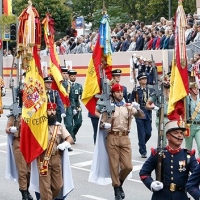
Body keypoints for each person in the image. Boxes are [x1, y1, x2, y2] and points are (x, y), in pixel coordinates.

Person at [95, 83, 144, 200]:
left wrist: (138, 108)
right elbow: (100, 122)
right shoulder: (109, 107)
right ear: (113, 93)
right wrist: (104, 124)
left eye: (121, 92)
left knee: (128, 166)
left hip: (125, 138)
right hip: (112, 137)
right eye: (117, 92)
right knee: (114, 165)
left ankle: (120, 182)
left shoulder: (127, 106)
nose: (120, 94)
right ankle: (116, 188)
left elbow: (141, 116)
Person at [139, 120, 197, 200]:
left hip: (180, 197)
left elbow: (197, 175)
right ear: (168, 136)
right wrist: (151, 183)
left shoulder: (188, 155)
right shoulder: (158, 153)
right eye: (176, 133)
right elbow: (144, 173)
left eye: (181, 133)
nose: (179, 136)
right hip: (161, 196)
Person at [37, 102, 73, 200]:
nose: (52, 112)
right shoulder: (40, 126)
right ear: (45, 112)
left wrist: (65, 144)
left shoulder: (59, 126)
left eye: (53, 110)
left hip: (56, 158)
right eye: (49, 110)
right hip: (43, 159)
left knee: (58, 186)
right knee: (45, 186)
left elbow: (70, 138)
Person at [5, 114, 33, 200]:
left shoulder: (33, 111)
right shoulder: (15, 114)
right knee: (22, 171)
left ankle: (26, 189)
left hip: (30, 144)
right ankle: (24, 194)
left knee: (29, 171)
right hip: (19, 143)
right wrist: (11, 129)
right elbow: (7, 128)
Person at [129, 72, 154, 158]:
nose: (145, 80)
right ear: (139, 81)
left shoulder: (150, 90)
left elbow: (153, 100)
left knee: (148, 132)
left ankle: (141, 143)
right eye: (143, 79)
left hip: (148, 112)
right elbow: (130, 100)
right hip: (139, 111)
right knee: (141, 132)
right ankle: (143, 151)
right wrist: (134, 105)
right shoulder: (136, 90)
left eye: (145, 79)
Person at [185, 82, 200, 157]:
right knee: (188, 149)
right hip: (189, 126)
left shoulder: (199, 100)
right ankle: (188, 164)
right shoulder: (186, 99)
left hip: (198, 126)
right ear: (190, 90)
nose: (196, 90)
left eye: (197, 88)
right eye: (194, 88)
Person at [68, 70, 83, 142]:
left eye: (74, 76)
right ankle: (71, 137)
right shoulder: (66, 85)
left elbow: (82, 96)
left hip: (77, 106)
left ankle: (72, 134)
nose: (73, 77)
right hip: (69, 105)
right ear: (69, 76)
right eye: (72, 76)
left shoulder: (79, 86)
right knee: (69, 124)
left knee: (78, 122)